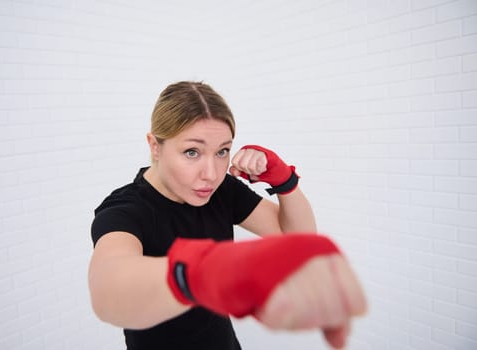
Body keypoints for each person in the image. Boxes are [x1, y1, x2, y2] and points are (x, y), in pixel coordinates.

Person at [88, 81, 367, 350]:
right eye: (192, 152)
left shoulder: (221, 190)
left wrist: (285, 182)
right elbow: (107, 291)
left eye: (222, 151)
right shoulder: (125, 209)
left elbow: (296, 237)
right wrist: (204, 272)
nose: (211, 173)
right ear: (155, 146)